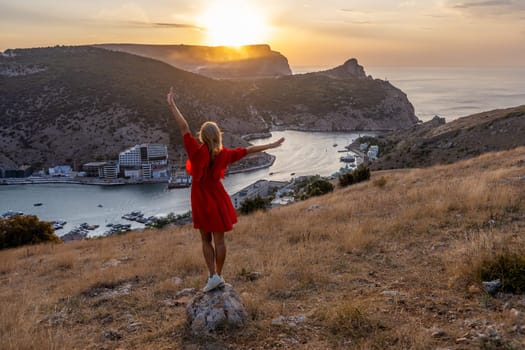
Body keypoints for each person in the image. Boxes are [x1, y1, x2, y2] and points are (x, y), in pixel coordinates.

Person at [167, 87, 285, 292]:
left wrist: (172, 105)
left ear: (202, 136)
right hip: (218, 197)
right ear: (218, 137)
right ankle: (219, 276)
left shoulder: (195, 152)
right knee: (220, 240)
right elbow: (249, 150)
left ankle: (212, 275)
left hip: (201, 199)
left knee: (206, 240)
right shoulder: (225, 155)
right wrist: (271, 145)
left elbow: (184, 127)